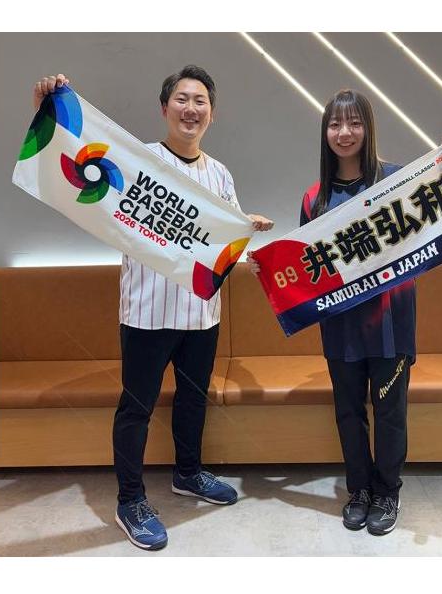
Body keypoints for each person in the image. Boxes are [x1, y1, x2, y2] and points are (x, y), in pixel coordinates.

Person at [33, 68, 273, 551]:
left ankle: (188, 474)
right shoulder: (139, 162)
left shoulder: (220, 174)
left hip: (202, 314)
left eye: (200, 101)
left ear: (212, 114)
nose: (191, 109)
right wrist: (47, 108)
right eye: (182, 99)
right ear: (165, 108)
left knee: (192, 400)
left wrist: (246, 229)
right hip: (147, 312)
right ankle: (130, 501)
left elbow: (221, 242)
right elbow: (77, 167)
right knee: (136, 409)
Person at [248, 89, 442, 536]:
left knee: (390, 413)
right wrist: (269, 269)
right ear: (325, 133)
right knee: (348, 412)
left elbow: (441, 211)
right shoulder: (314, 198)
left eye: (354, 123)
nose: (344, 133)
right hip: (341, 327)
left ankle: (387, 492)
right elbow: (306, 267)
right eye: (335, 124)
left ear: (368, 128)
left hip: (391, 324)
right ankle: (360, 490)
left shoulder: (399, 180)